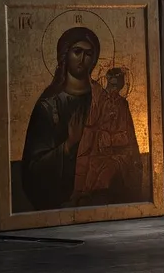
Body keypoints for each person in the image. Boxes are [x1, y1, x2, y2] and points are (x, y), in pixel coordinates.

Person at [21, 26, 143, 211]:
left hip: (103, 194)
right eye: (77, 51)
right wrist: (68, 145)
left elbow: (130, 152)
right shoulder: (49, 106)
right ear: (65, 54)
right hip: (61, 201)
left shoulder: (107, 101)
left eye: (88, 53)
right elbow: (33, 168)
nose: (82, 59)